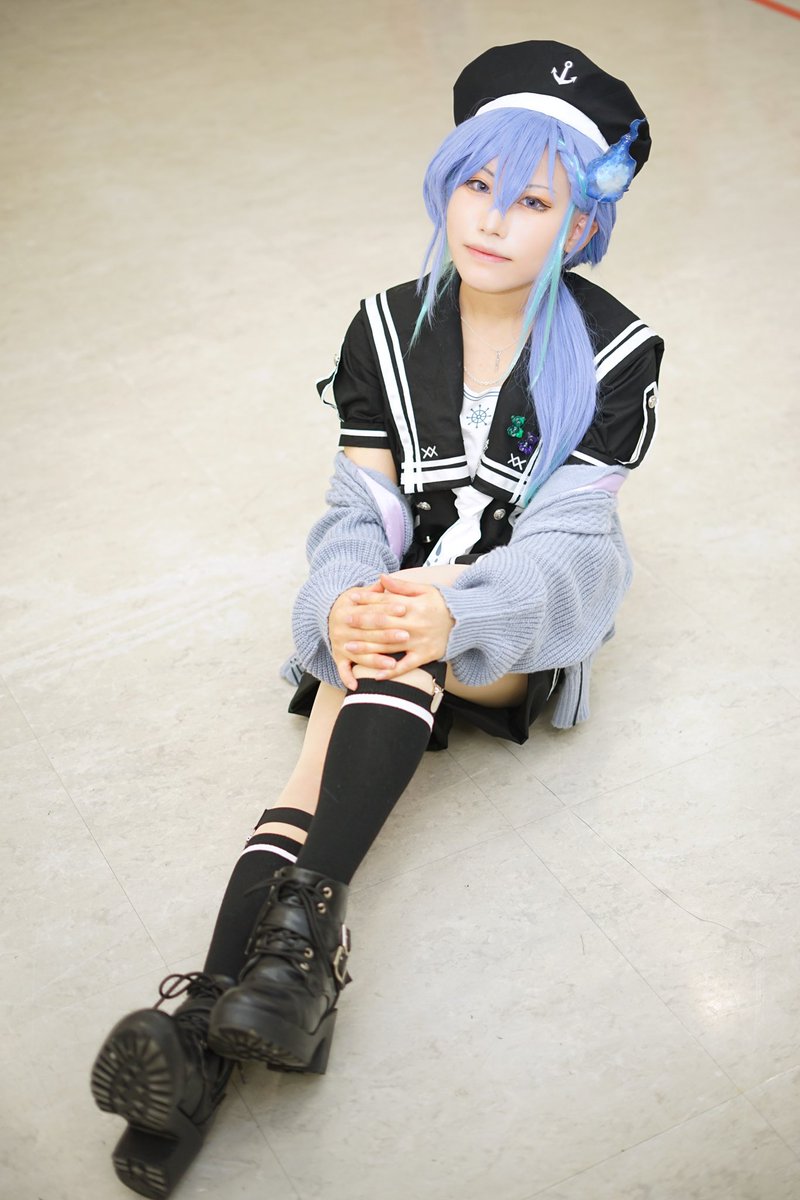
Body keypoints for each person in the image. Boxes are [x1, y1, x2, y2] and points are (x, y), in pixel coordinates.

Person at [90, 39, 664, 1199]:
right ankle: (227, 1028)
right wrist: (343, 598)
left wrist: (445, 608)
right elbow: (357, 515)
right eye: (475, 184)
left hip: (518, 628)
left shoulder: (616, 348)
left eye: (532, 200)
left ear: (581, 224)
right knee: (341, 712)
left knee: (399, 640)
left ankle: (237, 1007)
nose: (492, 218)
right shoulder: (383, 326)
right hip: (394, 622)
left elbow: (573, 551)